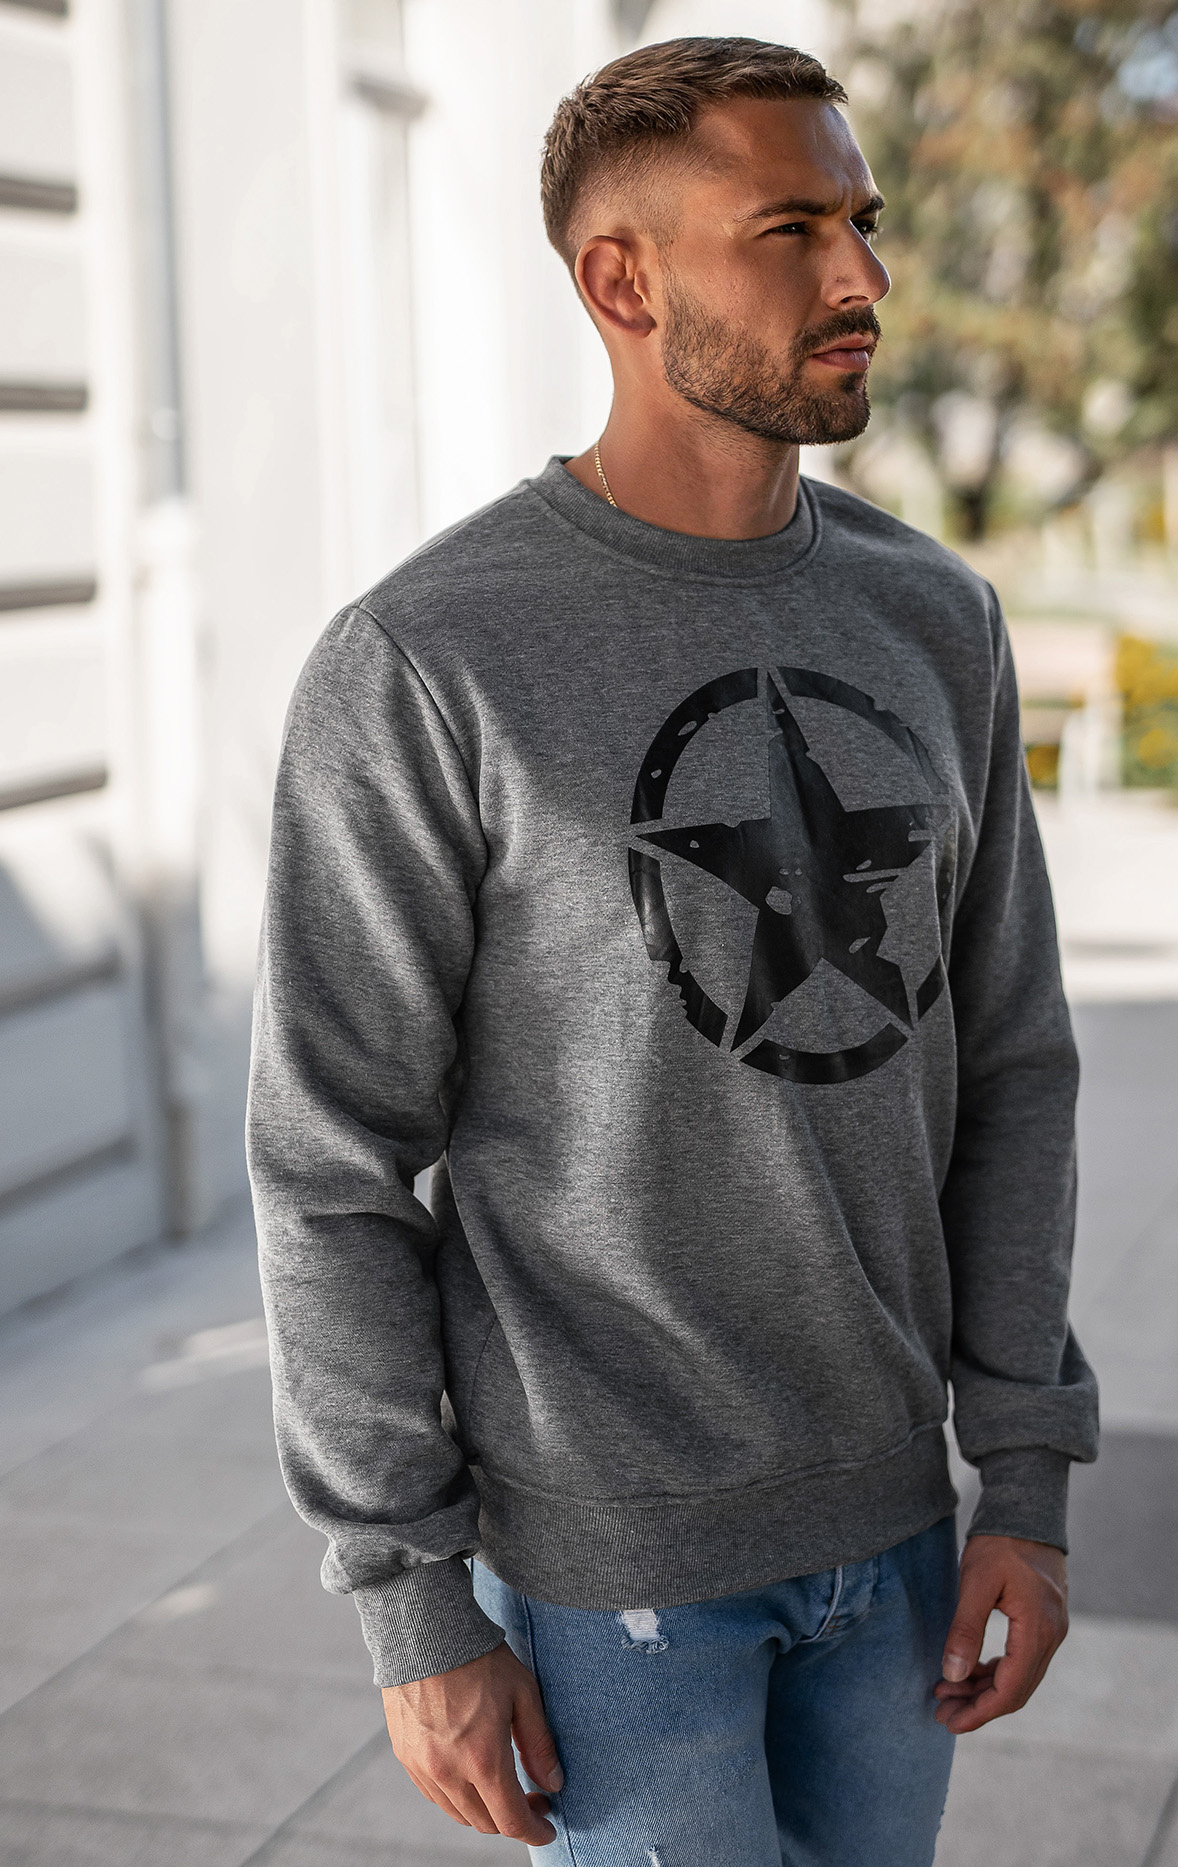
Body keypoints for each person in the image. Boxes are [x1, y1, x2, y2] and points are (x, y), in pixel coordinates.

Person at [248, 35, 1098, 1867]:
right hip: (606, 1572)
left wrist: (1023, 1473)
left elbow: (1014, 1063)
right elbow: (329, 1163)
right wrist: (410, 1597)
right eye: (790, 228)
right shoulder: (426, 663)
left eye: (862, 219)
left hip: (899, 1540)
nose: (863, 274)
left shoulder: (937, 620)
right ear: (622, 283)